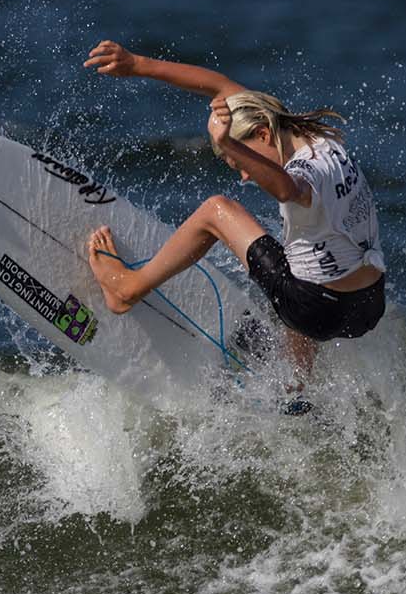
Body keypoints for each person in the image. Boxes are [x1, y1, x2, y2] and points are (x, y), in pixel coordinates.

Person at [82, 40, 385, 381]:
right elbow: (221, 87)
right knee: (300, 254)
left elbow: (288, 188)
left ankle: (128, 289)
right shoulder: (322, 141)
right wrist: (137, 64)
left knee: (217, 210)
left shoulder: (304, 171)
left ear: (262, 133)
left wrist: (227, 143)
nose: (244, 174)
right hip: (368, 306)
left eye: (242, 161)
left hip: (315, 310)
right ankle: (297, 384)